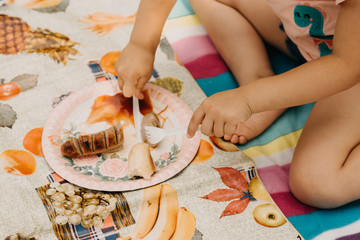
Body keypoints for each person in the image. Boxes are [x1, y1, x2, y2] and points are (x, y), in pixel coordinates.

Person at [115, 0, 360, 209]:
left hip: (350, 66)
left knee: (317, 181)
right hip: (311, 36)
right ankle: (259, 79)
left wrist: (249, 99)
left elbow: (347, 64)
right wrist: (142, 43)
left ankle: (264, 92)